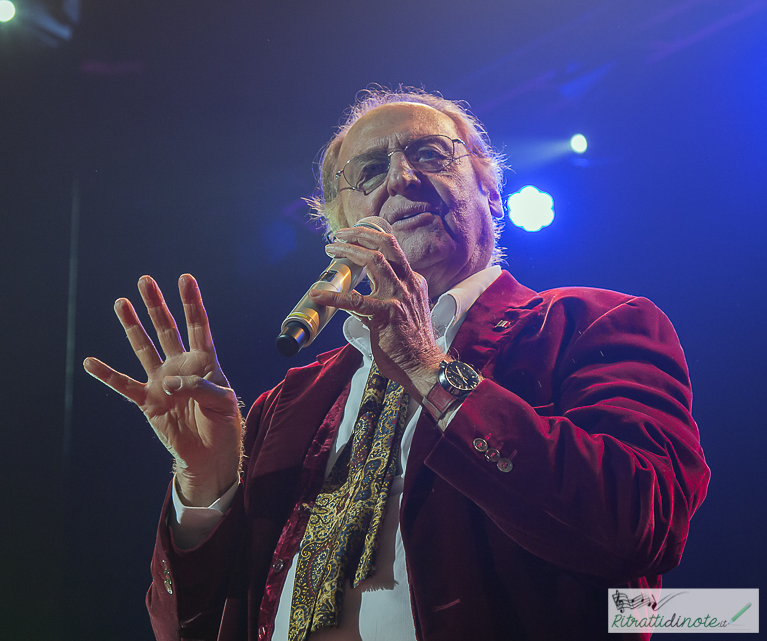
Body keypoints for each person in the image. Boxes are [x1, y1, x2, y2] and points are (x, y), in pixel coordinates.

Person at [83, 87, 709, 640]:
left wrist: (430, 367)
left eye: (432, 154)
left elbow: (638, 523)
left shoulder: (589, 324)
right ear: (340, 223)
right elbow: (188, 626)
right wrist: (206, 483)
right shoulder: (291, 403)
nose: (401, 178)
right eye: (370, 169)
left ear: (490, 192)